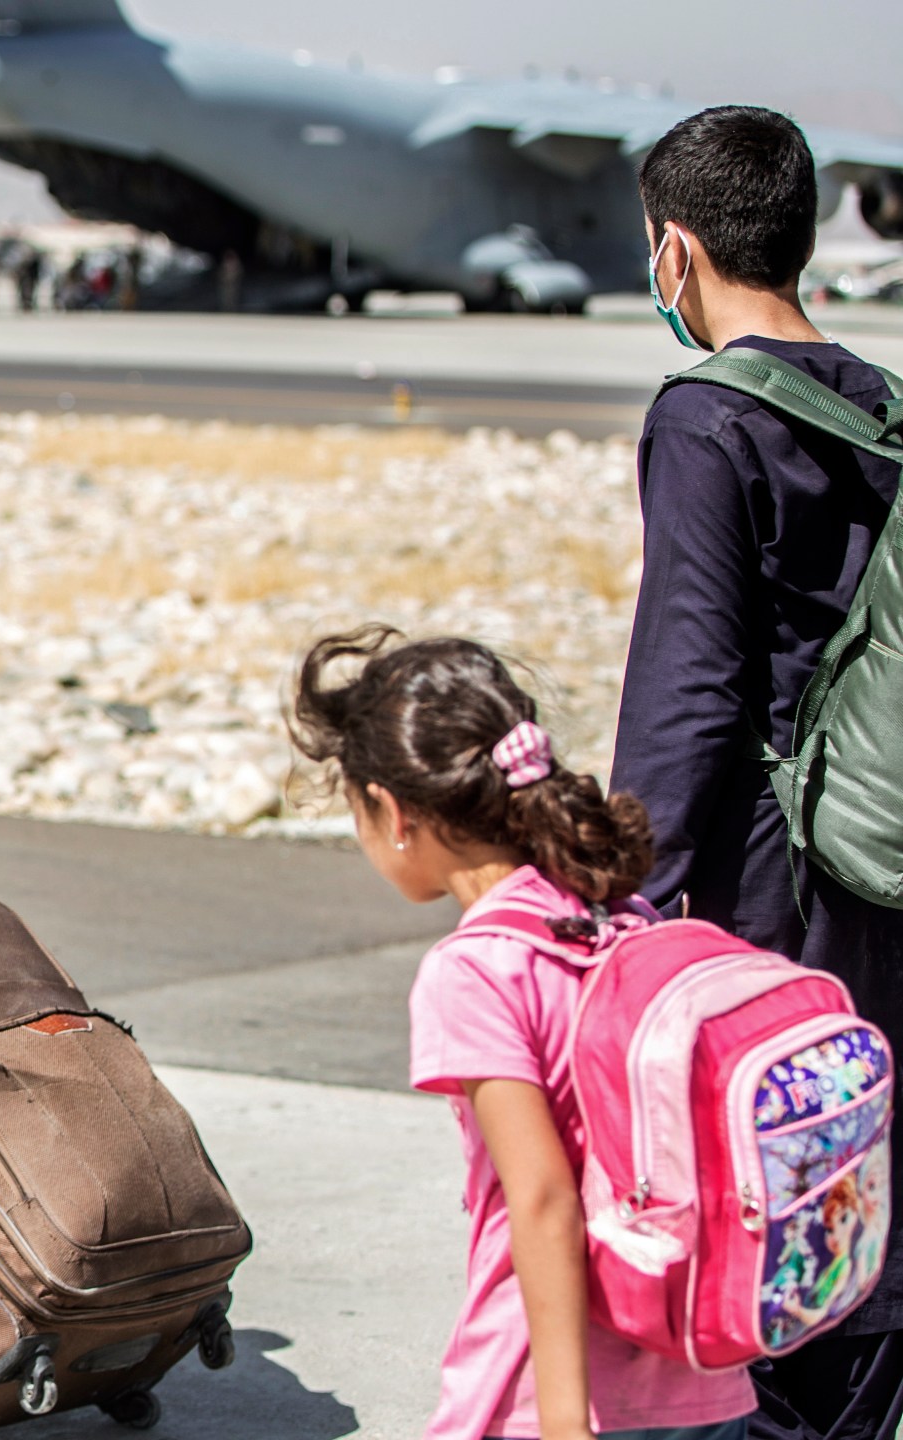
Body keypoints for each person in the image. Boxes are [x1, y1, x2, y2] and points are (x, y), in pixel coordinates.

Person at [608, 105, 903, 1440]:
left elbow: (689, 688)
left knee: (773, 1197)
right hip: (883, 849)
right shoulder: (885, 407)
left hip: (771, 881)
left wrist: (629, 909)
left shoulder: (707, 421)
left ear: (677, 253)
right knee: (872, 1168)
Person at [291, 627, 756, 1440]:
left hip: (550, 1393)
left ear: (394, 813)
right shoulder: (620, 917)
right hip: (704, 1377)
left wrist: (564, 1421)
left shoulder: (477, 968)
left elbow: (542, 1200)